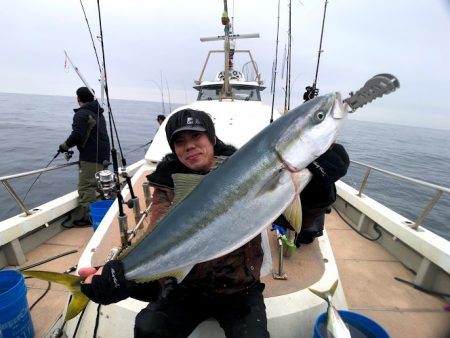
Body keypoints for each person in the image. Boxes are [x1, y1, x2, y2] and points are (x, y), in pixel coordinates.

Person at [79, 109, 349, 337]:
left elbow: (289, 221)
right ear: (174, 149)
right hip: (186, 289)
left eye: (196, 136)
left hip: (239, 288)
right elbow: (159, 237)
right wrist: (123, 276)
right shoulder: (168, 184)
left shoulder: (249, 170)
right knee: (148, 329)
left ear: (211, 138)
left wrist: (317, 190)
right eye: (180, 141)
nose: (190, 146)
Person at [59, 87, 110, 226]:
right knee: (103, 186)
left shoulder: (82, 114)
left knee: (86, 187)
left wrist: (63, 147)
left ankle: (89, 218)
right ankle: (111, 213)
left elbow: (77, 135)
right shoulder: (99, 113)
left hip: (90, 156)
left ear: (78, 98)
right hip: (104, 156)